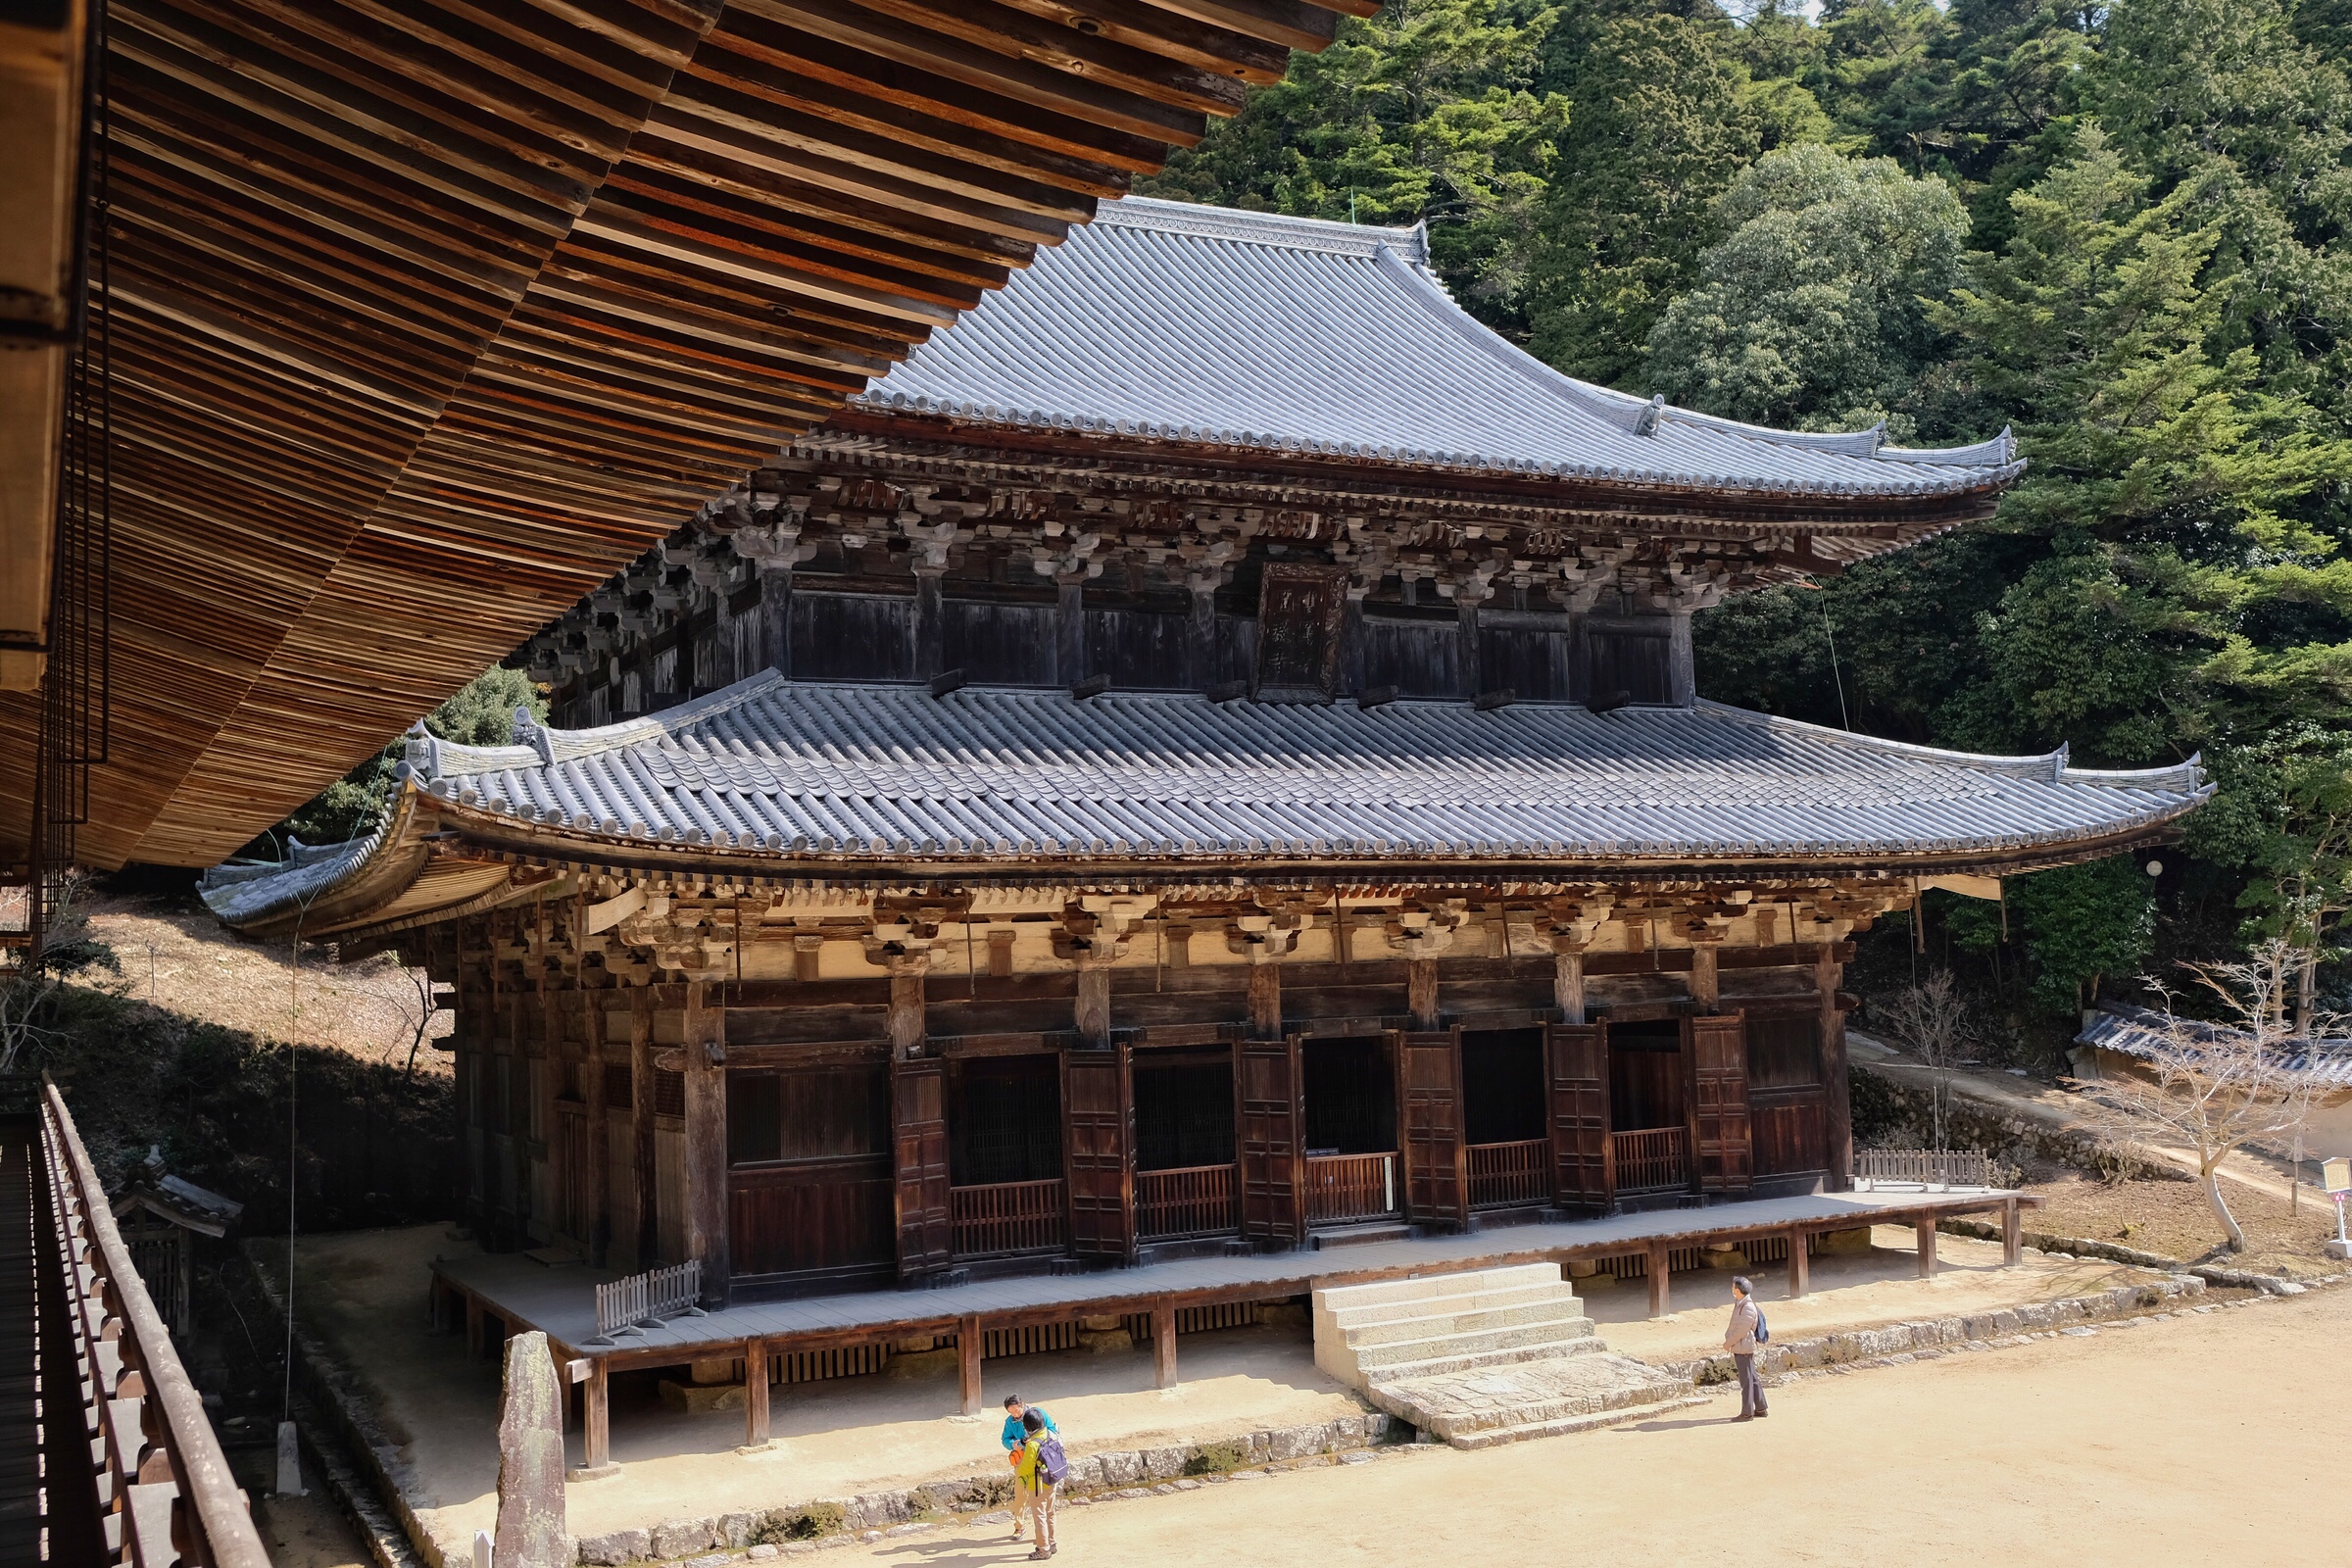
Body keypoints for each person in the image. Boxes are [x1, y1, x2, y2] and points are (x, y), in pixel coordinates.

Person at [1001, 1396, 1056, 1542]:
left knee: (1041, 1497)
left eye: (1016, 1410)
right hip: (1022, 1459)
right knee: (1020, 1494)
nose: (1015, 1414)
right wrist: (1014, 1444)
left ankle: (1045, 1535)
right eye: (1011, 1412)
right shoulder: (1009, 1422)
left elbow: (1052, 1430)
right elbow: (1005, 1440)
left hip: (1041, 1459)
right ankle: (1019, 1526)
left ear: (1022, 1405)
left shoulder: (1038, 1413)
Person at [1013, 1406, 1058, 1558]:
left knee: (1039, 1517)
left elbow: (1025, 1469)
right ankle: (1051, 1543)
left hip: (1037, 1485)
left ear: (1027, 1427)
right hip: (1052, 1480)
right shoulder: (1051, 1434)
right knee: (1050, 1513)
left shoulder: (1032, 1444)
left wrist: (1019, 1470)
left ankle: (1043, 1549)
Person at [1724, 1275, 1769, 1422]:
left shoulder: (1747, 1306)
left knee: (1746, 1380)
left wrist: (1728, 1342)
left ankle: (1747, 1412)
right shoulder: (1741, 1303)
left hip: (1743, 1346)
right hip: (1743, 1345)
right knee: (1752, 1377)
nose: (1732, 1288)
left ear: (1738, 1289)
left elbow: (1741, 1330)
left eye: (1733, 1286)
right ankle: (1761, 1407)